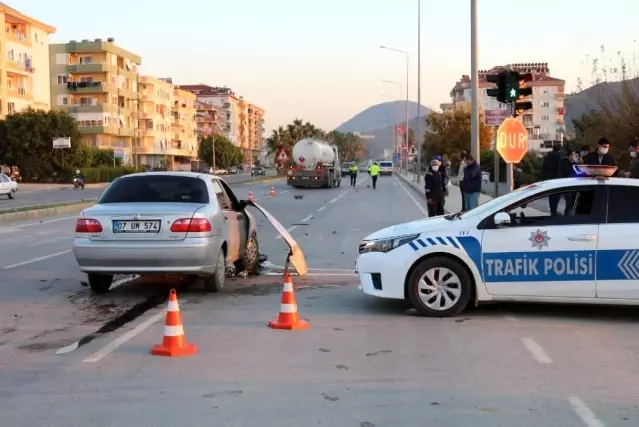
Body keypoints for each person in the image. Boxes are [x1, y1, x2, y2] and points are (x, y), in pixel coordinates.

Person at [542, 144, 565, 215]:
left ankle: (552, 210)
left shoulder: (548, 156)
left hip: (548, 178)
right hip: (556, 178)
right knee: (556, 195)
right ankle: (554, 211)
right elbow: (559, 167)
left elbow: (544, 167)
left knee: (551, 195)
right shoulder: (559, 156)